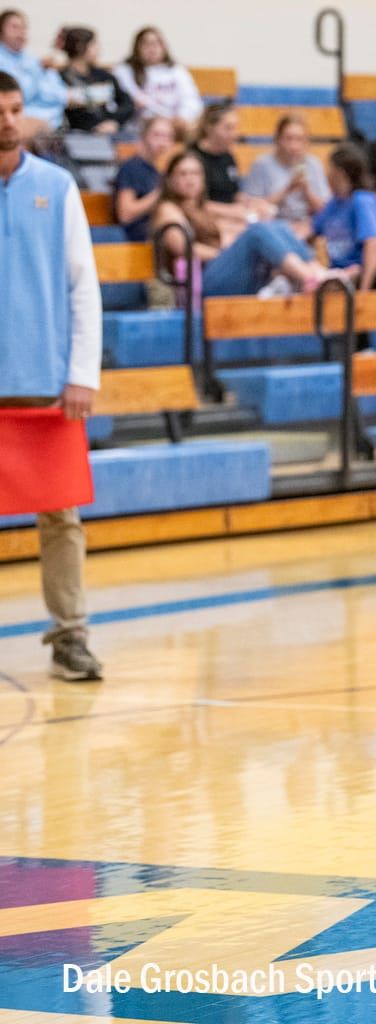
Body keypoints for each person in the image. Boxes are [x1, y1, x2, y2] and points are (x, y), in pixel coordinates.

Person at [0, 72, 103, 681]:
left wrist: (82, 371)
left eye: (15, 109)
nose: (8, 120)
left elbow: (82, 287)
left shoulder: (58, 187)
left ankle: (70, 636)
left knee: (61, 516)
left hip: (45, 381)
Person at [151, 149, 329, 298]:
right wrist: (224, 253)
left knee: (276, 226)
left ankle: (317, 270)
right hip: (199, 281)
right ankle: (308, 277)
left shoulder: (202, 208)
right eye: (183, 174)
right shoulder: (167, 209)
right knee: (257, 232)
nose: (190, 179)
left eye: (195, 173)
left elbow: (232, 224)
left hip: (221, 271)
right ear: (170, 180)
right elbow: (184, 248)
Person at [313, 144, 376, 293]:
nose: (326, 174)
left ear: (339, 172)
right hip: (342, 274)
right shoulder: (333, 204)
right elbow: (312, 230)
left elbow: (373, 243)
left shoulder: (362, 200)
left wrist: (364, 291)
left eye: (329, 169)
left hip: (372, 275)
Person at [243, 114, 331, 235]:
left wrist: (306, 191)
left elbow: (325, 209)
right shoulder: (262, 165)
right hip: (273, 224)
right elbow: (253, 209)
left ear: (306, 142)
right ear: (278, 140)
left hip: (307, 224)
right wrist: (287, 190)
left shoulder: (313, 164)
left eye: (299, 139)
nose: (294, 146)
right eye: (288, 139)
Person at [114, 26, 201, 136]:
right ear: (137, 48)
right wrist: (165, 121)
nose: (152, 49)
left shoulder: (177, 70)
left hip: (177, 126)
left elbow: (191, 99)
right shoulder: (124, 71)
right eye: (146, 44)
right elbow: (136, 100)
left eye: (156, 44)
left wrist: (183, 117)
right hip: (140, 128)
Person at [0, 10, 64, 138]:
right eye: (14, 27)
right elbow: (20, 95)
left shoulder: (33, 60)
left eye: (24, 28)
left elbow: (60, 95)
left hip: (53, 123)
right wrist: (39, 72)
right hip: (19, 123)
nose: (21, 32)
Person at [58, 27, 132, 136]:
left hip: (109, 129)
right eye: (94, 45)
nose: (98, 49)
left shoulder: (103, 76)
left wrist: (114, 121)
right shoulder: (59, 78)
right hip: (78, 133)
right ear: (80, 46)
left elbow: (126, 103)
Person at [113, 115, 175, 242]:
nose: (162, 142)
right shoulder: (132, 167)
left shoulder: (159, 170)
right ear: (143, 136)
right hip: (137, 236)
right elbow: (125, 214)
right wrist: (161, 193)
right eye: (157, 135)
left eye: (167, 136)